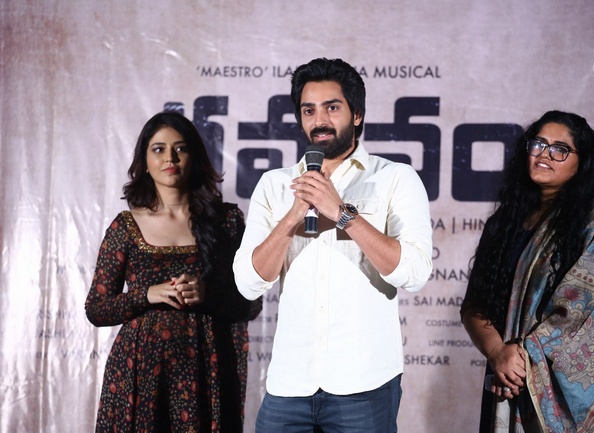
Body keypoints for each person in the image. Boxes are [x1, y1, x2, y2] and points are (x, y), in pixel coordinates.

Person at [233, 57, 433, 432]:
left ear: (357, 114)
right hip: (290, 383)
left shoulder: (395, 178)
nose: (320, 120)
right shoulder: (275, 184)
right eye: (309, 110)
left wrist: (341, 213)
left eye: (332, 107)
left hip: (364, 384)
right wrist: (293, 216)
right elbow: (248, 283)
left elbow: (415, 272)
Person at [461, 110, 594, 433]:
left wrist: (522, 357)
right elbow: (475, 304)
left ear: (582, 161)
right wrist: (498, 353)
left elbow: (586, 305)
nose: (545, 154)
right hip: (508, 378)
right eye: (538, 144)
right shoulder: (503, 222)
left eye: (560, 149)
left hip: (567, 394)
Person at [85, 111, 261, 433]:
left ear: (194, 157)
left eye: (180, 148)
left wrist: (207, 294)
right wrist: (145, 295)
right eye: (159, 149)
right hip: (140, 372)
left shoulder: (226, 222)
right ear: (144, 161)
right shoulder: (126, 226)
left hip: (206, 368)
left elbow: (250, 304)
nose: (170, 158)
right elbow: (96, 309)